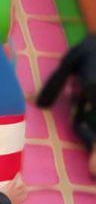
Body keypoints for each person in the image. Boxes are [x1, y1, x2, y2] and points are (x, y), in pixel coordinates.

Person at [36, 33, 96, 178]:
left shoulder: (87, 45)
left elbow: (62, 72)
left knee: (79, 122)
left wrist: (43, 100)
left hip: (92, 92)